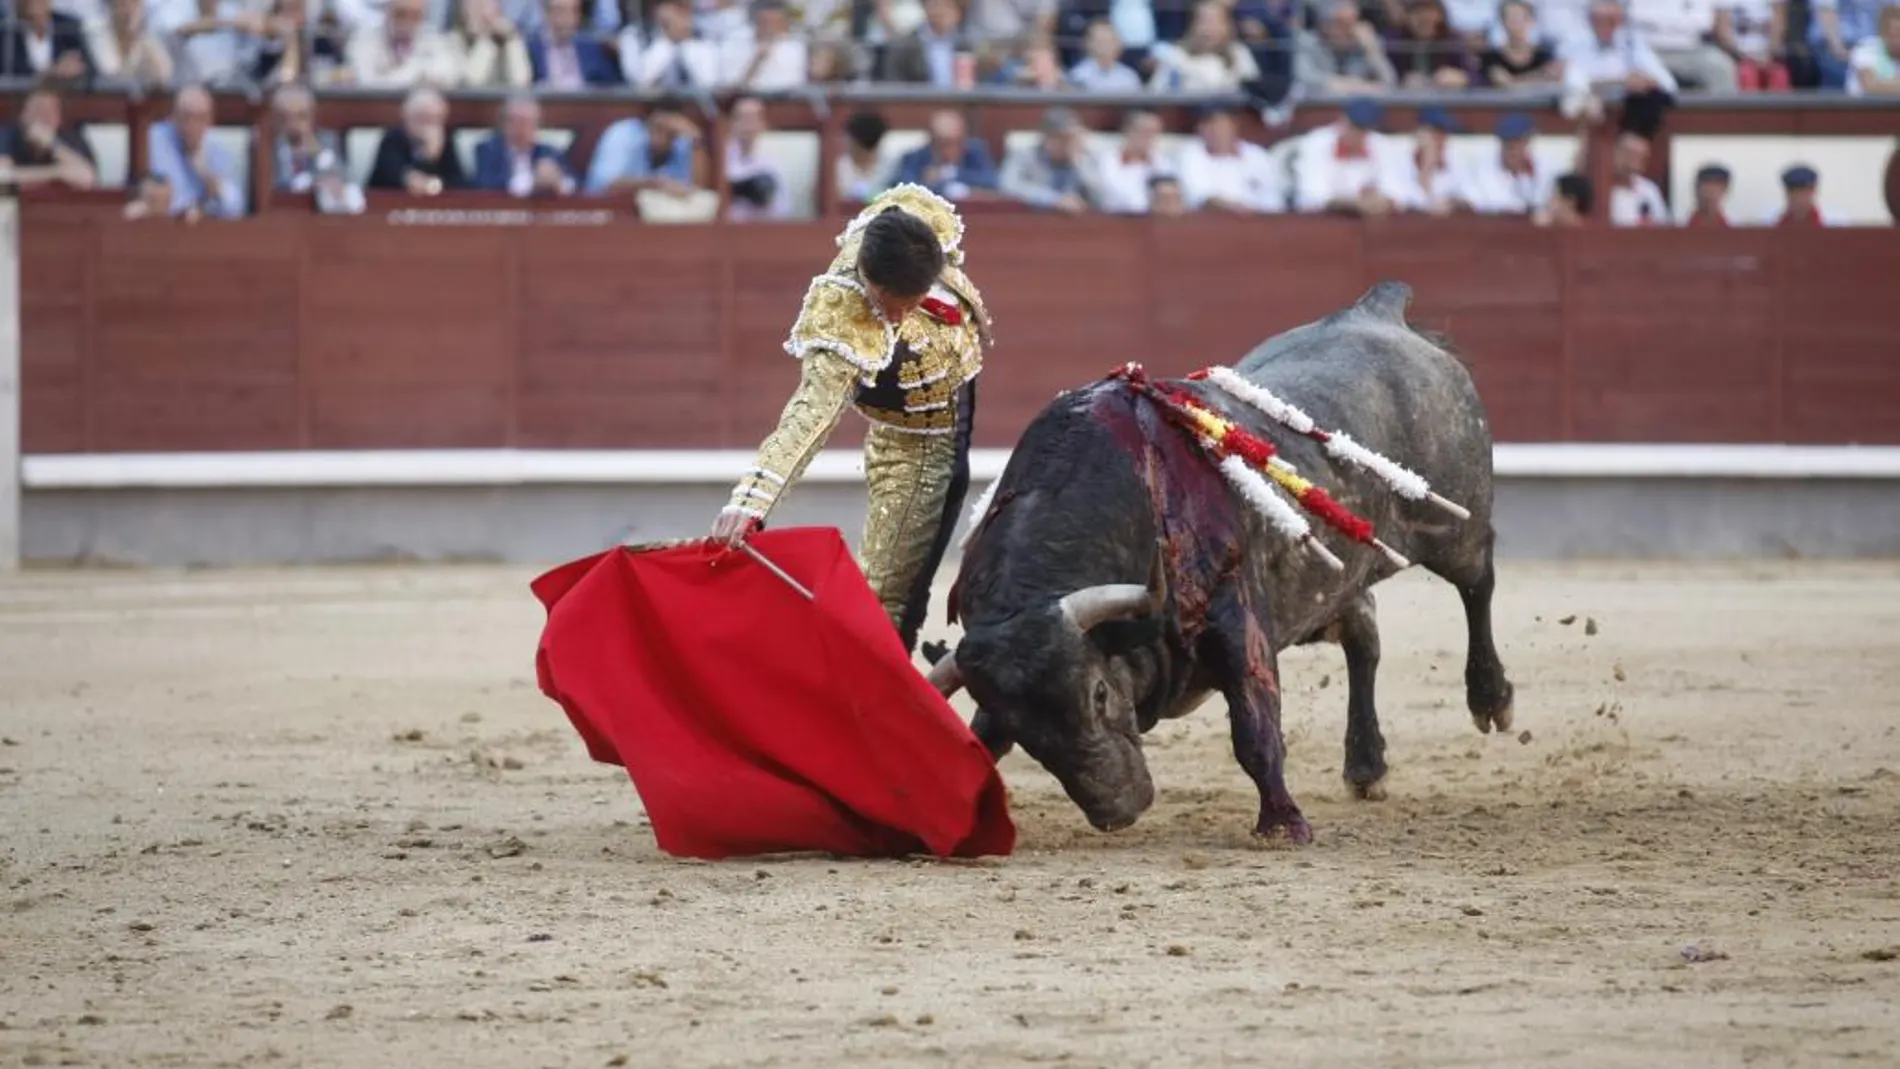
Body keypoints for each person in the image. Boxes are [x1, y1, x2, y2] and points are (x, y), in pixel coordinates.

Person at [712, 184, 995, 654]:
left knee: (911, 587)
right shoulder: (844, 316)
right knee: (886, 598)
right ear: (869, 280)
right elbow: (810, 416)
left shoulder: (909, 225)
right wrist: (752, 502)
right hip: (913, 448)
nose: (902, 313)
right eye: (893, 303)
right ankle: (873, 709)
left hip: (954, 421)